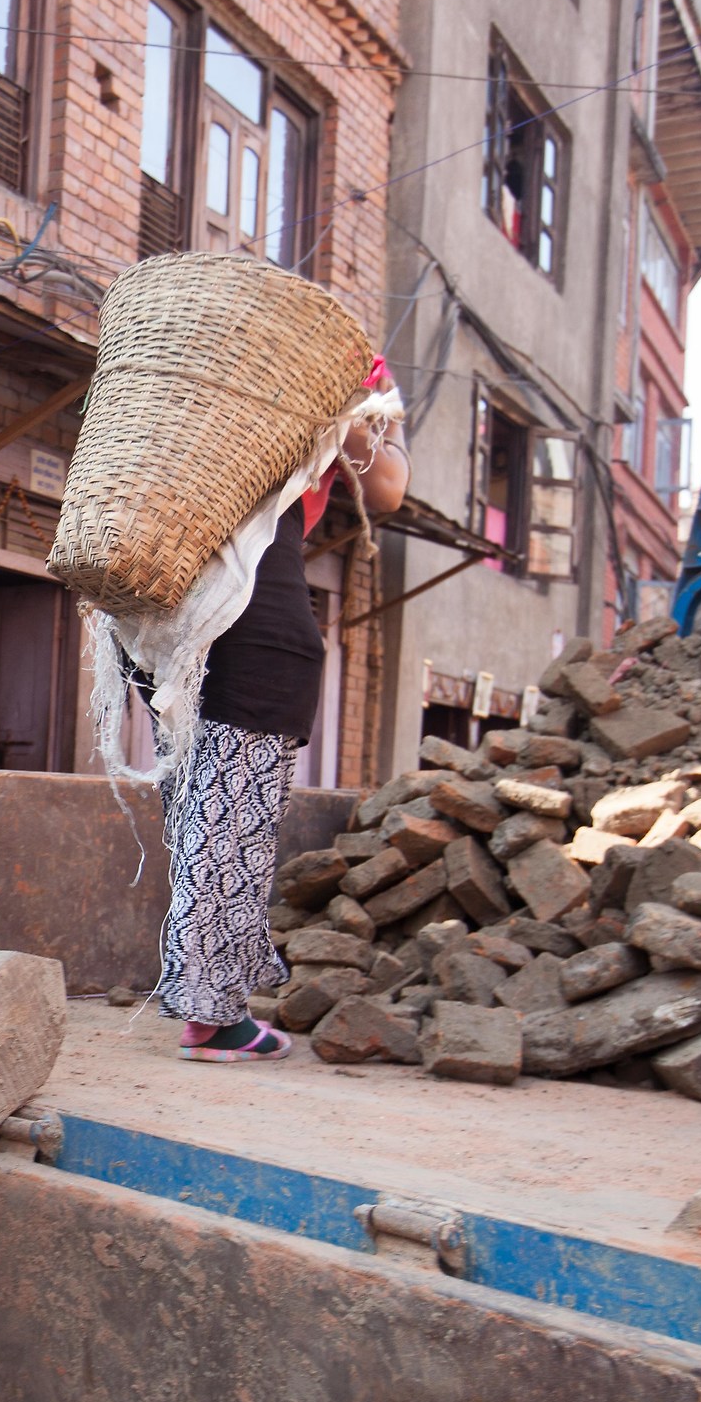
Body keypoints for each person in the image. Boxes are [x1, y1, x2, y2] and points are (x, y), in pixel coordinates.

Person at [160, 364, 408, 1062]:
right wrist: (349, 413)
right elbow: (387, 488)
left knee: (196, 799)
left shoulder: (190, 364)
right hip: (253, 576)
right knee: (235, 799)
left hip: (165, 570)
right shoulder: (353, 367)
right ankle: (211, 1017)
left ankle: (204, 993)